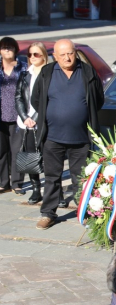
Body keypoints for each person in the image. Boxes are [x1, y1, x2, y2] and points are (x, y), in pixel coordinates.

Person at [31, 39, 104, 230]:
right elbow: (35, 100)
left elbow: (99, 100)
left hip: (81, 138)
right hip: (52, 136)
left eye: (70, 53)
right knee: (52, 177)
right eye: (62, 54)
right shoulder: (47, 73)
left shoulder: (87, 73)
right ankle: (48, 213)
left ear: (75, 52)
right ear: (55, 56)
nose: (67, 57)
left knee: (81, 178)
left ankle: (85, 213)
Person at [15, 42, 49, 204]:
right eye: (30, 55)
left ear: (43, 55)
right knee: (29, 157)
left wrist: (36, 118)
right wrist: (24, 117)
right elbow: (18, 98)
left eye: (36, 54)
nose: (32, 57)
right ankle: (36, 189)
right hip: (27, 123)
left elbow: (48, 99)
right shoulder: (25, 74)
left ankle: (55, 192)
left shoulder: (49, 74)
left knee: (50, 158)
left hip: (45, 122)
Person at [0, 37, 27, 195]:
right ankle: (4, 183)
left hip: (18, 115)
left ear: (16, 50)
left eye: (10, 47)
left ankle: (17, 183)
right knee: (1, 151)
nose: (7, 50)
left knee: (18, 150)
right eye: (4, 47)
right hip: (1, 115)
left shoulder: (23, 67)